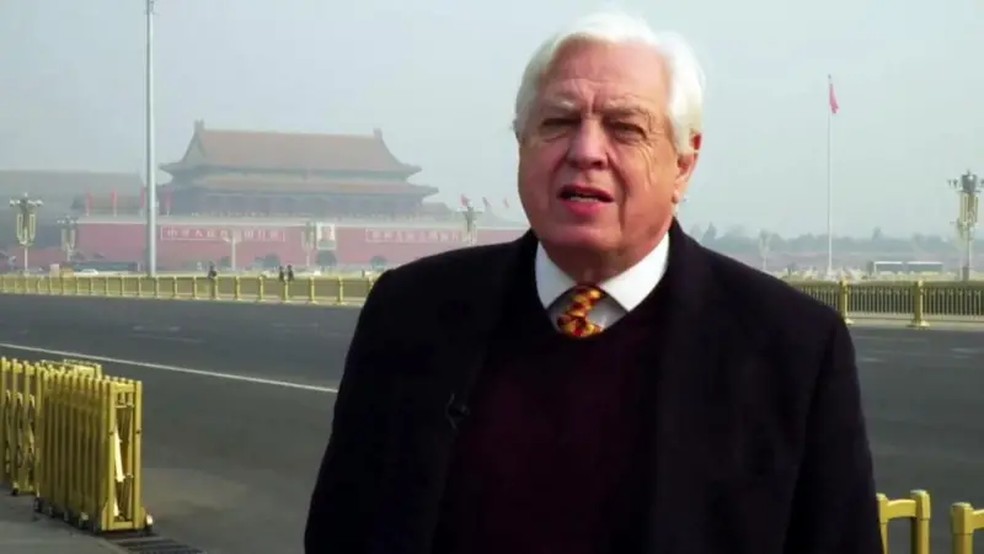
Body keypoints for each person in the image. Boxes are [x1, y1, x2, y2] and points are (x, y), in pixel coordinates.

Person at [304, 9, 881, 554]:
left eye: (625, 128)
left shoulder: (793, 347)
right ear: (521, 143)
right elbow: (342, 530)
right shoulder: (410, 314)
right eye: (557, 123)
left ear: (684, 163)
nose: (586, 152)